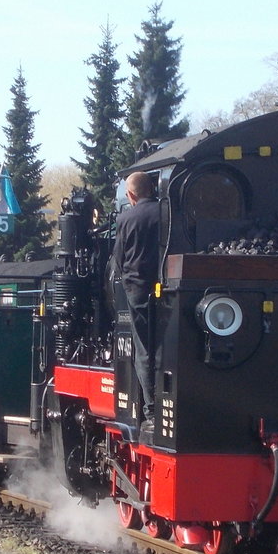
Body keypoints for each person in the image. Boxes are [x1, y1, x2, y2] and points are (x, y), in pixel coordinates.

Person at [112, 171, 160, 433]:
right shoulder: (166, 213)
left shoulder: (126, 218)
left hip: (138, 290)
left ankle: (151, 409)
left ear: (131, 195)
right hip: (168, 288)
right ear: (152, 188)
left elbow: (118, 260)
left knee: (143, 348)